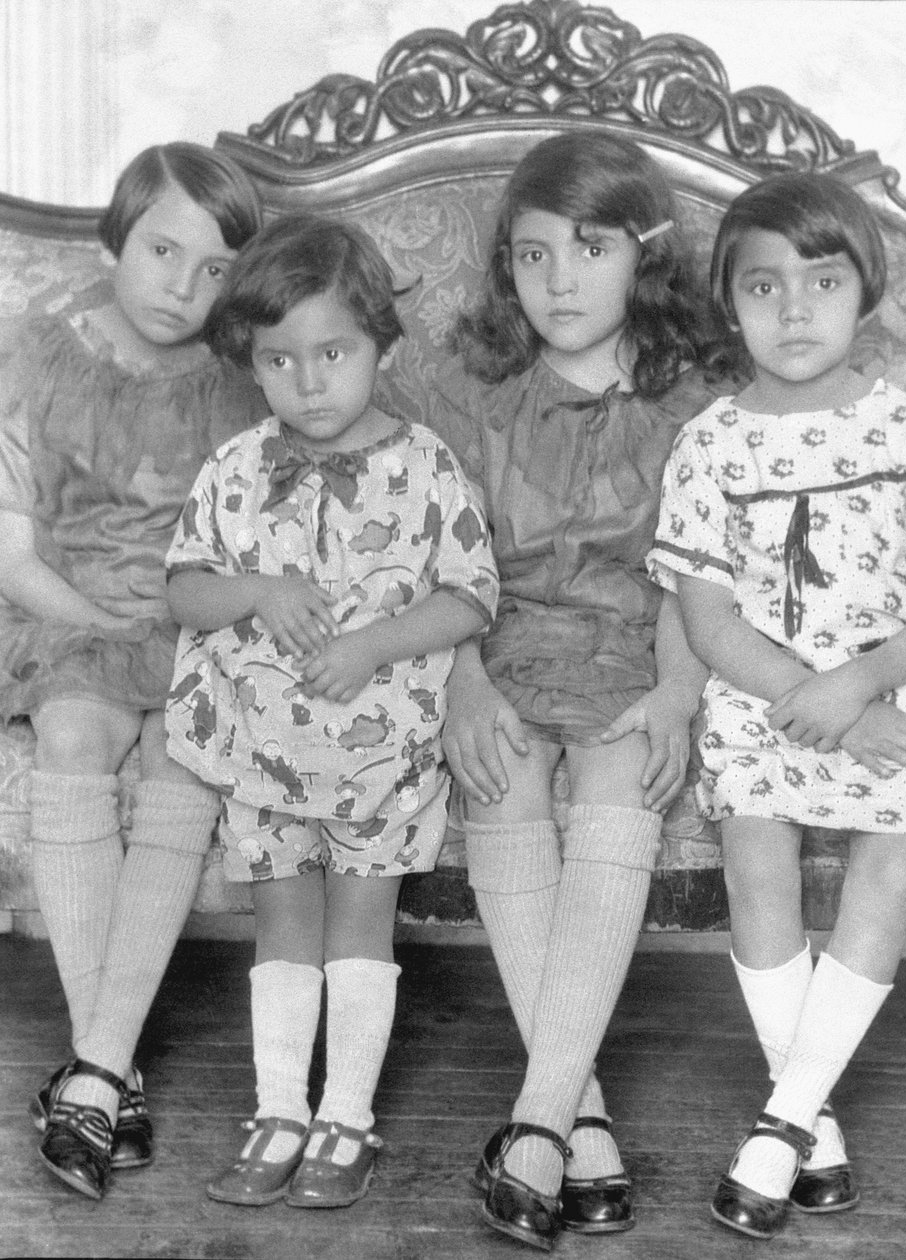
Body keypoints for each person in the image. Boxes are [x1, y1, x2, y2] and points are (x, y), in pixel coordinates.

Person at [649, 171, 906, 1240]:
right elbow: (707, 624)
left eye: (820, 282)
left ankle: (783, 1117)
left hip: (892, 679)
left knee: (891, 855)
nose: (792, 312)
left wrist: (859, 684)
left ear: (864, 292)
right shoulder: (709, 442)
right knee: (757, 846)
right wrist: (810, 694)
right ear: (728, 302)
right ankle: (810, 1127)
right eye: (761, 288)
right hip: (766, 690)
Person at [425, 130, 734, 1250]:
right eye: (532, 255)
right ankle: (574, 1117)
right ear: (505, 266)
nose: (558, 281)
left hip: (635, 645)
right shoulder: (474, 393)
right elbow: (438, 562)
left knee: (617, 771)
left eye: (589, 249)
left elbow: (701, 576)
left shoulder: (691, 400)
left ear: (641, 257)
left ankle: (541, 1116)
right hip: (496, 638)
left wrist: (674, 695)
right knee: (499, 774)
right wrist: (460, 685)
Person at [164, 214, 498, 1211]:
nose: (309, 382)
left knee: (360, 927)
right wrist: (257, 590)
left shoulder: (426, 466)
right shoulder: (233, 470)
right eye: (280, 359)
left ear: (381, 348)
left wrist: (371, 646)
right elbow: (184, 590)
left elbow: (468, 595)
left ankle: (345, 1114)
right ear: (250, 363)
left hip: (380, 759)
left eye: (333, 353)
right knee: (281, 927)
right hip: (263, 758)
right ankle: (277, 1108)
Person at [0, 141, 266, 1201]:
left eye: (213, 272)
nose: (182, 288)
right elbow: (11, 547)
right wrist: (88, 611)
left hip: (194, 626)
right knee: (73, 733)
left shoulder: (237, 384)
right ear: (119, 233)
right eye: (163, 250)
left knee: (185, 763)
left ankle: (97, 1079)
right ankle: (105, 1052)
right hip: (67, 610)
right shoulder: (41, 352)